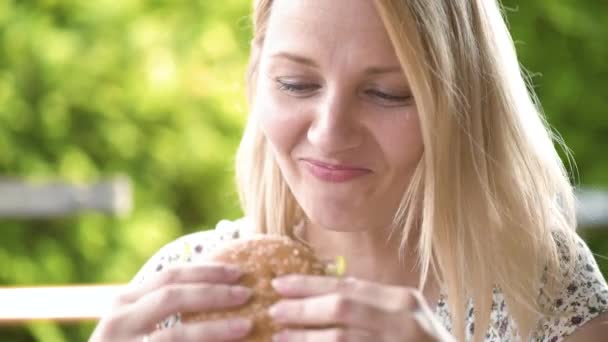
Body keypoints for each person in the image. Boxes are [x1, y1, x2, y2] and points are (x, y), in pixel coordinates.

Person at [90, 0, 608, 341]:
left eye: (387, 94)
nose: (330, 134)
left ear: (463, 103)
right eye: (296, 83)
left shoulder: (544, 294)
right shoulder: (181, 297)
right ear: (255, 77)